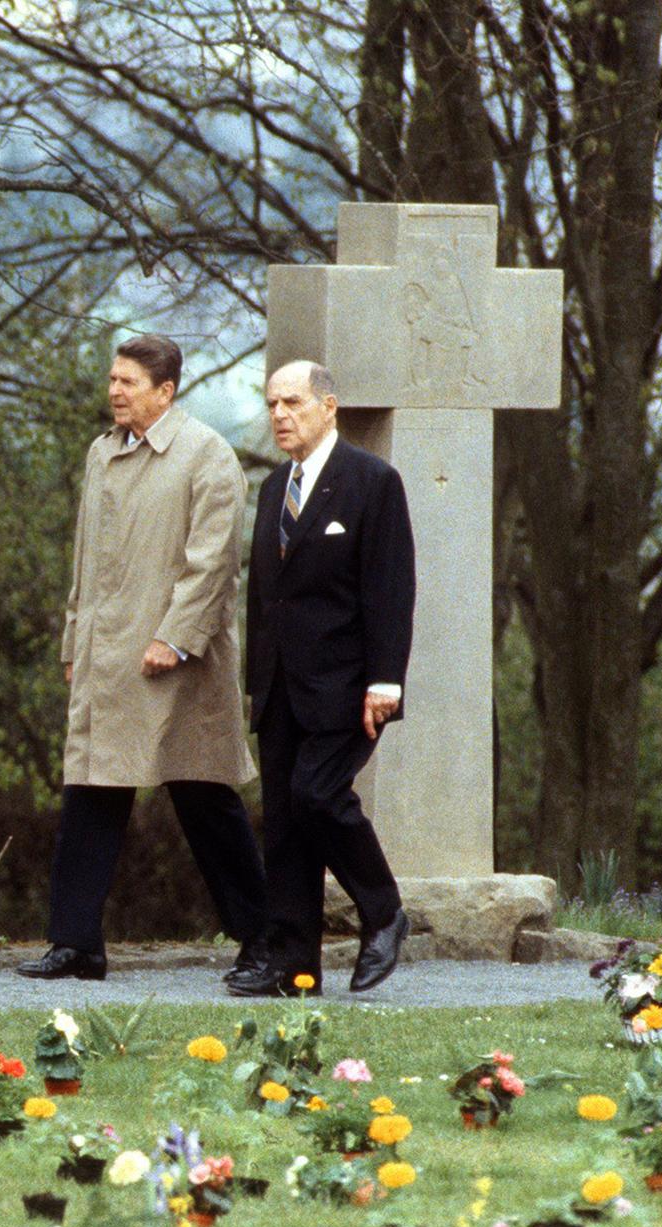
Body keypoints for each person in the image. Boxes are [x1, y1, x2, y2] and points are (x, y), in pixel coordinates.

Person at [17, 335, 272, 992]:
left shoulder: (206, 456)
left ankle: (265, 944)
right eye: (113, 379)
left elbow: (213, 564)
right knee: (89, 795)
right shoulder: (102, 454)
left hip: (176, 664)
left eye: (129, 381)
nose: (115, 391)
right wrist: (76, 644)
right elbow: (86, 563)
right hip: (108, 660)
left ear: (167, 391)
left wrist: (175, 638)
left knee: (205, 798)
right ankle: (75, 945)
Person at [235, 359, 415, 997]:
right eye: (272, 404)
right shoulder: (271, 489)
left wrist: (386, 680)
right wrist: (256, 683)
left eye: (293, 403)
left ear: (329, 405)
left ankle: (385, 911)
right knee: (284, 822)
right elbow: (264, 597)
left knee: (318, 796)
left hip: (346, 685)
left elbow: (390, 587)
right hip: (279, 688)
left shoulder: (372, 482)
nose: (280, 415)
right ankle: (294, 967)